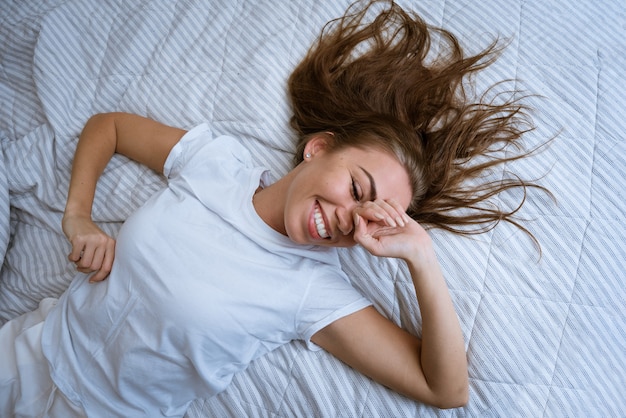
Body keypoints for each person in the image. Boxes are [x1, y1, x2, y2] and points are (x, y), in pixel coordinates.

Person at [1, 0, 548, 416]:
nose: (348, 219)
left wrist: (422, 257)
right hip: (25, 348)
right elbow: (111, 126)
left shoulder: (310, 288)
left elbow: (446, 389)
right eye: (356, 189)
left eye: (372, 218)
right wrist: (78, 218)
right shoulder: (216, 162)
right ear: (319, 147)